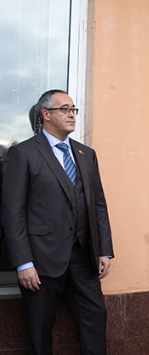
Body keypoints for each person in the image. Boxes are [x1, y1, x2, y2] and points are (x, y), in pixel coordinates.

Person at [2, 90, 114, 354]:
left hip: (83, 258)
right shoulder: (23, 153)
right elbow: (12, 212)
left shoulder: (87, 155)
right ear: (46, 115)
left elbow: (98, 204)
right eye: (65, 109)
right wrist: (23, 262)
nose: (72, 114)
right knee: (40, 331)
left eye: (74, 109)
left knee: (95, 319)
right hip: (40, 261)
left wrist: (105, 250)